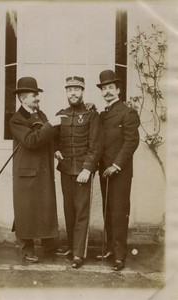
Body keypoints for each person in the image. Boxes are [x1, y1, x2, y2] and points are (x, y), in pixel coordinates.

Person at [10, 77, 65, 263]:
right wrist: (51, 125)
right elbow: (31, 141)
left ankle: (49, 247)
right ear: (22, 98)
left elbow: (50, 136)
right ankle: (27, 250)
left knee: (45, 208)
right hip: (26, 174)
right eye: (34, 95)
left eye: (37, 95)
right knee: (26, 210)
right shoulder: (16, 120)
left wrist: (56, 148)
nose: (37, 98)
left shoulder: (40, 114)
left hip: (43, 171)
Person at [54, 76, 103, 268]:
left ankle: (78, 254)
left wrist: (87, 169)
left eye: (76, 89)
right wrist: (55, 148)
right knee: (69, 209)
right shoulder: (61, 114)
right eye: (69, 90)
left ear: (83, 92)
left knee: (81, 211)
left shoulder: (92, 115)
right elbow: (54, 137)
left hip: (83, 171)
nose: (72, 93)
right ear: (66, 92)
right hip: (66, 170)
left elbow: (96, 145)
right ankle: (71, 246)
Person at [96, 70, 140, 271]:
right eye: (104, 89)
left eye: (110, 88)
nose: (107, 92)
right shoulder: (102, 114)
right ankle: (112, 249)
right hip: (104, 171)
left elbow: (132, 142)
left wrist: (116, 165)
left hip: (120, 172)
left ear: (118, 90)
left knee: (119, 212)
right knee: (108, 211)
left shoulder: (127, 112)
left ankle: (120, 256)